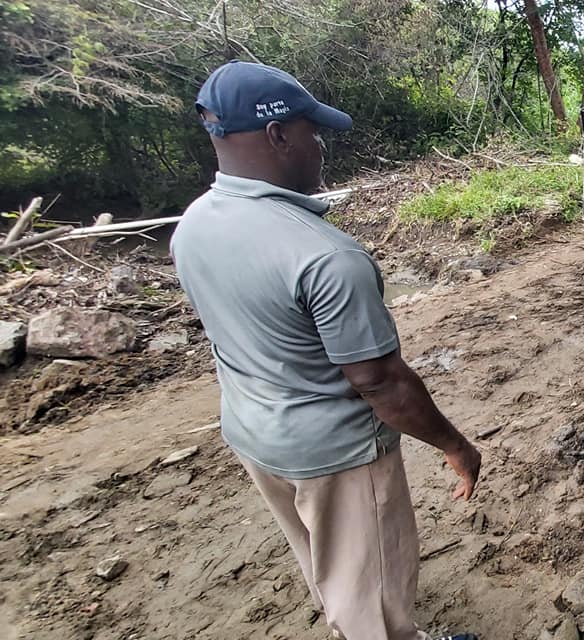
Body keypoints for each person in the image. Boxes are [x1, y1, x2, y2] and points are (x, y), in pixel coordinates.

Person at [171, 61, 482, 640]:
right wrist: (455, 445)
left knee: (327, 562)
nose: (320, 147)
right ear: (277, 135)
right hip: (335, 456)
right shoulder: (325, 256)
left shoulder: (193, 226)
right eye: (313, 133)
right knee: (371, 594)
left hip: (253, 434)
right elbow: (381, 383)